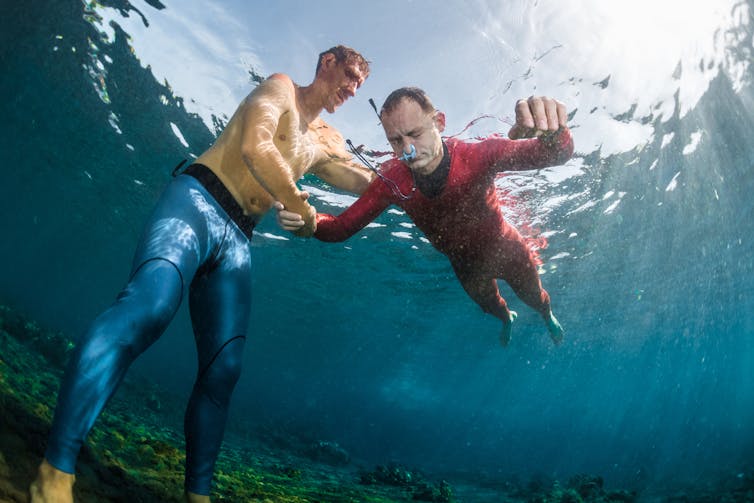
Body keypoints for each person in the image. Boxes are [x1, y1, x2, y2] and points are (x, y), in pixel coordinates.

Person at [30, 45, 374, 503]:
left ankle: (198, 497)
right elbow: (256, 145)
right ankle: (55, 470)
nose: (352, 89)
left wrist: (422, 169)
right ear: (326, 62)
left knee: (224, 370)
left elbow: (373, 185)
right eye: (349, 75)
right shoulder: (280, 86)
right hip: (196, 201)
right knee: (147, 308)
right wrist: (300, 206)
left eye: (360, 85)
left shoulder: (328, 141)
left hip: (239, 239)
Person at [275, 87, 573, 346]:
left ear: (439, 123)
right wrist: (309, 221)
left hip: (508, 250)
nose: (408, 151)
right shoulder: (392, 182)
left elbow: (556, 154)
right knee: (492, 307)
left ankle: (548, 316)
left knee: (536, 298)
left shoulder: (479, 155)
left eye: (415, 134)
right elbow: (341, 228)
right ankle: (507, 319)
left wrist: (556, 130)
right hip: (466, 267)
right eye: (395, 141)